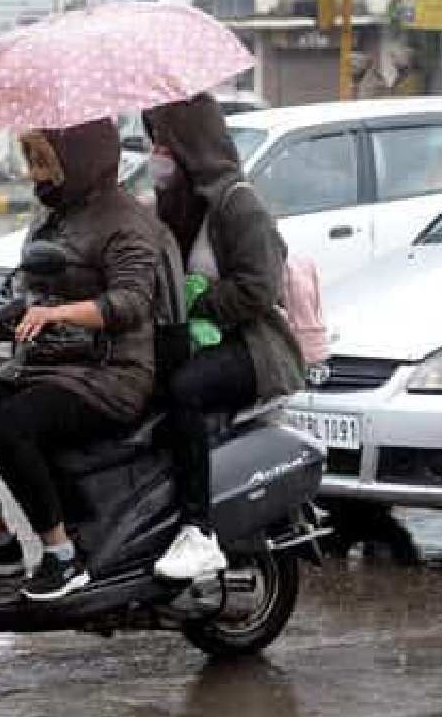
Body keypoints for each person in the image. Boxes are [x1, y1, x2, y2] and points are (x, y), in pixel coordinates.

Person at [0, 118, 169, 601]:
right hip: (54, 362)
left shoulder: (126, 221)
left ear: (79, 161)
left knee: (12, 426)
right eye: (31, 163)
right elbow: (33, 283)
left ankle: (62, 553)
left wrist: (58, 314)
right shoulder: (57, 213)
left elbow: (133, 302)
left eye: (44, 164)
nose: (36, 176)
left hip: (110, 373)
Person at [143, 93, 306, 580]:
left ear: (191, 146)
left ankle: (198, 530)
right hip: (199, 338)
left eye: (165, 146)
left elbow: (260, 288)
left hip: (253, 347)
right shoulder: (175, 207)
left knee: (185, 390)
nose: (157, 157)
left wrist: (200, 301)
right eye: (154, 145)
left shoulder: (238, 203)